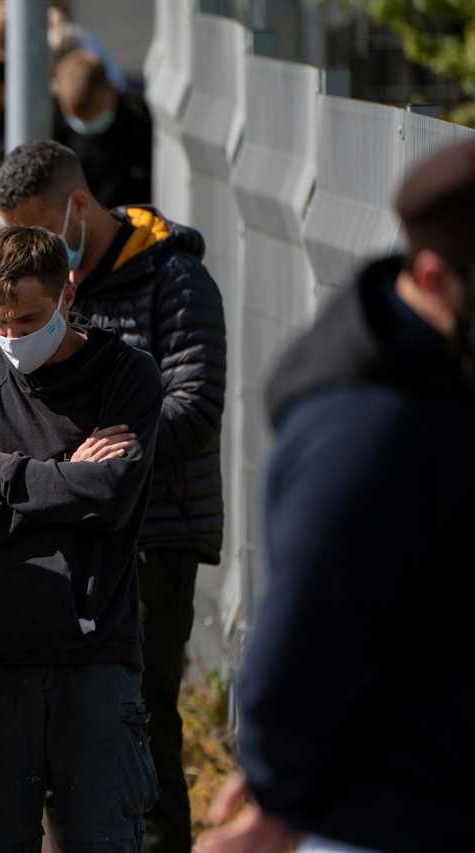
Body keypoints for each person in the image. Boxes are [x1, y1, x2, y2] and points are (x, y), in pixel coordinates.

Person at [198, 139, 475, 853]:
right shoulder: (369, 427)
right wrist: (279, 796)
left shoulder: (438, 381)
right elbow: (307, 628)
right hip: (397, 819)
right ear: (436, 279)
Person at [0, 140, 225, 853]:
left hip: (153, 532)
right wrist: (70, 469)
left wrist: (86, 462)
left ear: (79, 206)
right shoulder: (42, 284)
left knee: (142, 715)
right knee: (62, 720)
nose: (32, 247)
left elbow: (195, 404)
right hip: (60, 536)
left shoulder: (172, 278)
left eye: (40, 227)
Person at [0, 225, 161, 852]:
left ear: (68, 293)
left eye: (28, 320)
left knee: (105, 837)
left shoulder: (127, 375)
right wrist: (64, 481)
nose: (12, 338)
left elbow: (110, 499)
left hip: (95, 655)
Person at [52, 50, 152, 209]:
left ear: (111, 91)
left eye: (93, 115)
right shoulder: (55, 126)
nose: (86, 126)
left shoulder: (139, 119)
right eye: (78, 119)